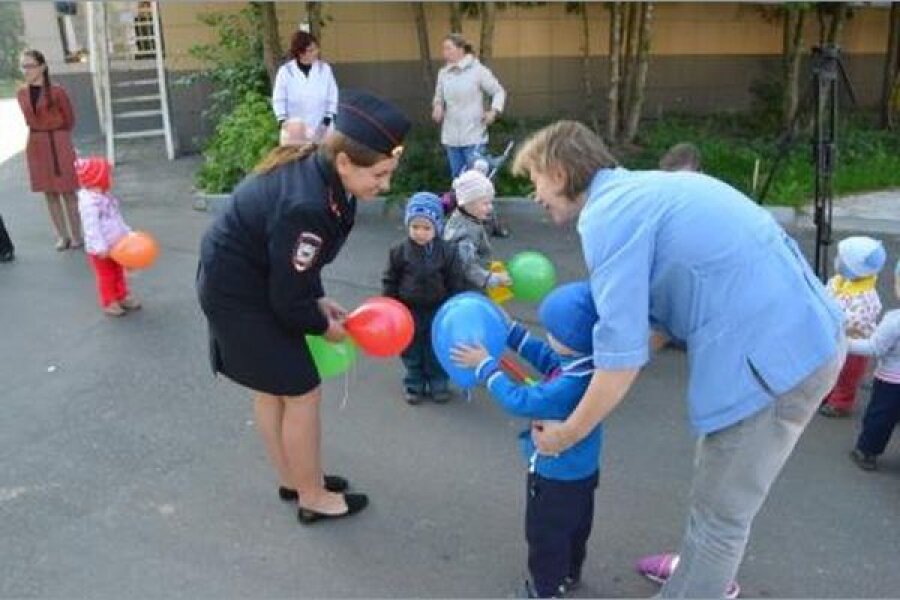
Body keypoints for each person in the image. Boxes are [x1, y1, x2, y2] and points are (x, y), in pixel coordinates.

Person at [512, 120, 846, 598]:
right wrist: (601, 377)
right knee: (715, 489)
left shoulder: (607, 215)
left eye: (535, 180)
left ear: (560, 171)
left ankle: (703, 581)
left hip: (774, 366)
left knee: (722, 517)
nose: (535, 194)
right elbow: (656, 324)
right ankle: (695, 570)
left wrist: (567, 432)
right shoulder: (646, 191)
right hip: (806, 338)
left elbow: (621, 353)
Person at [197, 91, 410, 524]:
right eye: (380, 175)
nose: (385, 185)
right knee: (299, 391)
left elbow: (293, 265)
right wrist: (320, 322)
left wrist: (314, 296)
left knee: (275, 389)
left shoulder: (323, 171)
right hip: (241, 296)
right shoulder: (308, 203)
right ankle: (311, 496)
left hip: (244, 282)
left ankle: (296, 479)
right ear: (346, 162)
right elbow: (287, 297)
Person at [452, 281, 603, 599]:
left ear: (571, 341)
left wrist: (485, 367)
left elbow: (520, 400)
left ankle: (545, 590)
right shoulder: (589, 365)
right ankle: (570, 573)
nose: (548, 336)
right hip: (583, 472)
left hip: (555, 477)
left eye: (552, 332)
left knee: (545, 535)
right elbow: (547, 357)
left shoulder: (567, 387)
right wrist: (511, 331)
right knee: (576, 527)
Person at [382, 192, 465, 405]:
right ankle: (414, 382)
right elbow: (390, 278)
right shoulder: (399, 251)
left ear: (436, 227)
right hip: (408, 309)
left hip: (438, 308)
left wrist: (454, 305)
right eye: (415, 227)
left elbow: (454, 279)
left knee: (435, 346)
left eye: (426, 228)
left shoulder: (447, 251)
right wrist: (389, 305)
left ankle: (438, 381)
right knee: (411, 347)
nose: (420, 233)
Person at [16, 49, 84, 251]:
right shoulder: (21, 94)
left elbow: (70, 118)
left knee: (67, 190)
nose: (26, 70)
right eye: (23, 66)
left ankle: (76, 235)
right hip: (36, 142)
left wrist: (59, 135)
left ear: (42, 67)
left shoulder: (57, 91)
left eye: (30, 65)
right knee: (49, 192)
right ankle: (62, 236)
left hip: (58, 140)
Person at [819, 236, 885, 418]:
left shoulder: (867, 296)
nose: (836, 260)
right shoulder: (837, 281)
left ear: (855, 267)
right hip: (833, 338)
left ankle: (841, 403)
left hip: (854, 346)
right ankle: (827, 394)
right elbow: (826, 295)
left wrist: (829, 316)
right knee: (830, 369)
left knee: (847, 375)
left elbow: (854, 322)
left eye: (841, 258)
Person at [846, 258, 900, 471]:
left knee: (880, 417)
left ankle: (867, 451)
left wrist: (844, 343)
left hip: (891, 381)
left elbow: (874, 348)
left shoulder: (894, 320)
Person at [432, 33, 506, 179]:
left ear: (460, 50)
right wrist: (437, 106)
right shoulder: (443, 73)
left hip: (474, 135)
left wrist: (494, 111)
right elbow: (438, 96)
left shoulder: (478, 70)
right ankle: (459, 202)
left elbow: (498, 91)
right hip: (451, 136)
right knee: (458, 179)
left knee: (476, 179)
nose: (444, 53)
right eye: (443, 49)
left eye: (448, 48)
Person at [75, 157, 142, 317]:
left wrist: (127, 233)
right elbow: (91, 228)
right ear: (99, 179)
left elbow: (116, 219)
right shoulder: (89, 204)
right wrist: (100, 247)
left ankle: (122, 295)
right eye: (108, 175)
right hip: (101, 249)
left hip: (117, 244)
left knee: (118, 270)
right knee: (106, 275)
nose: (111, 179)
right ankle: (109, 300)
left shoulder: (106, 197)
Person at [443, 170, 510, 291]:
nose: (490, 207)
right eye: (485, 203)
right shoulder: (466, 234)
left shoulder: (465, 219)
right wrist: (492, 279)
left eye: (490, 202)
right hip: (467, 288)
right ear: (467, 203)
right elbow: (467, 267)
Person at [272, 31, 339, 143]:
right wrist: (284, 123)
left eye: (316, 49)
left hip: (322, 128)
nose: (316, 53)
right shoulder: (286, 71)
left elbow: (332, 96)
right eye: (311, 50)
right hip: (295, 132)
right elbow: (279, 99)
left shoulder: (324, 69)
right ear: (300, 53)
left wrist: (326, 121)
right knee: (296, 158)